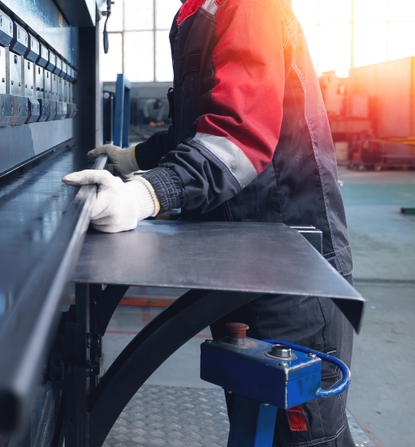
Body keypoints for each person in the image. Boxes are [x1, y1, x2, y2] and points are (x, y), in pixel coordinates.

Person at [62, 0, 355, 445]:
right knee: (253, 417)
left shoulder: (248, 7)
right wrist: (137, 157)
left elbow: (238, 137)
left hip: (290, 266)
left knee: (303, 434)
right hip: (239, 256)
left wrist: (147, 193)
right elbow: (196, 128)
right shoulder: (194, 16)